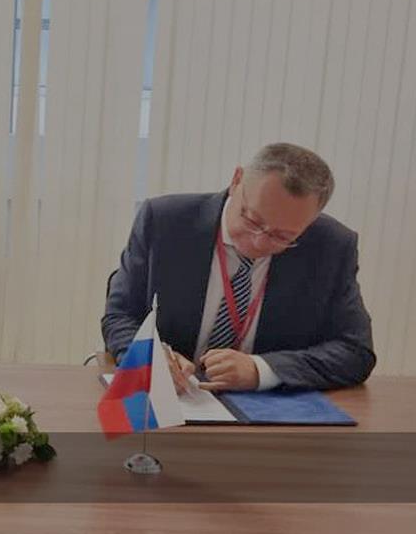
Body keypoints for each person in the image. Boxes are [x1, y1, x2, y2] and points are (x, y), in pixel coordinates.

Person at [102, 142, 374, 392]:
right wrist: (147, 356)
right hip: (173, 398)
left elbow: (355, 350)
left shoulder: (331, 246)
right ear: (236, 180)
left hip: (269, 409)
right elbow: (120, 316)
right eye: (252, 220)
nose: (259, 241)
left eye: (283, 236)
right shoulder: (165, 222)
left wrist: (261, 370)